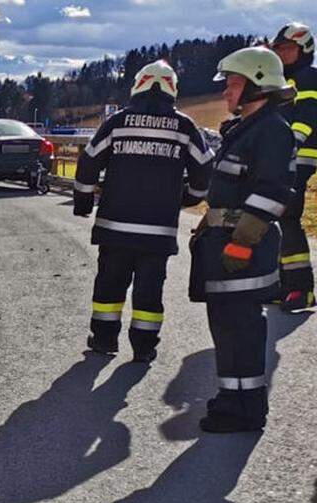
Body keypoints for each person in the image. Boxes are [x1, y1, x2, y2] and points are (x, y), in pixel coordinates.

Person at [73, 60, 213, 364]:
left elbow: (89, 161)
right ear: (172, 89)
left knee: (109, 284)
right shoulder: (185, 126)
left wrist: (83, 200)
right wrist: (188, 198)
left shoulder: (118, 122)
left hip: (115, 227)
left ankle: (104, 340)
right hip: (158, 230)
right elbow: (204, 169)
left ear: (138, 84)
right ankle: (144, 346)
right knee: (149, 292)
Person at [190, 46, 295, 433]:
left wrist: (243, 242)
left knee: (242, 329)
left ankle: (247, 410)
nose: (226, 92)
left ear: (258, 84)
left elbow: (272, 192)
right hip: (225, 245)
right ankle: (232, 398)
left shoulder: (271, 131)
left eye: (233, 84)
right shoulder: (245, 130)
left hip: (243, 249)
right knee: (226, 325)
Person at [270, 22, 317, 312]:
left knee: (287, 217)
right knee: (278, 217)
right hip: (286, 157)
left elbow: (308, 116)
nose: (281, 54)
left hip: (300, 157)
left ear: (303, 50)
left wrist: (290, 146)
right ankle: (286, 285)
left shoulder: (307, 77)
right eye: (278, 49)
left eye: (286, 48)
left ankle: (302, 289)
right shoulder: (286, 82)